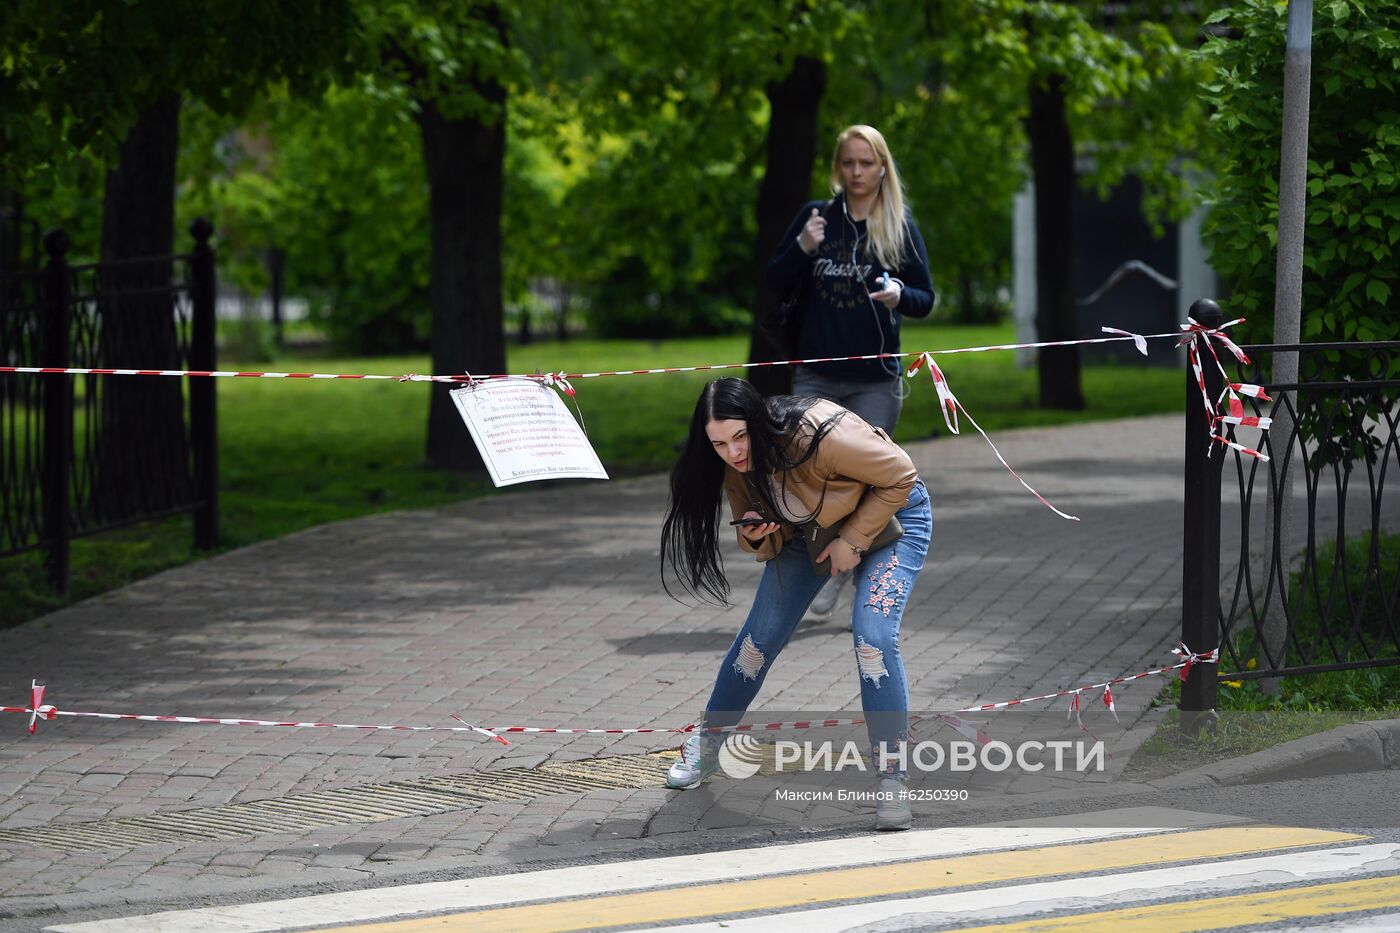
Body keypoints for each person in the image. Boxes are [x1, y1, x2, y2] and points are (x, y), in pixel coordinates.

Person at [659, 377, 933, 831]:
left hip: (894, 518)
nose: (732, 452)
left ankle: (892, 779)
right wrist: (753, 535)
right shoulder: (732, 462)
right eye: (718, 443)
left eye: (740, 437)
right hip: (808, 534)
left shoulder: (818, 433)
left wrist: (852, 539)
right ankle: (707, 747)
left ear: (757, 421)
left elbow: (901, 474)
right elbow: (766, 544)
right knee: (757, 642)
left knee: (873, 640)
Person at [767, 124, 935, 618]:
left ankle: (856, 569)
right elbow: (775, 280)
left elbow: (926, 299)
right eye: (848, 163)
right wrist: (801, 246)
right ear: (837, 168)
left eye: (866, 163)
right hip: (817, 374)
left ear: (882, 167)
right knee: (811, 475)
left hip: (876, 380)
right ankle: (821, 568)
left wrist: (901, 295)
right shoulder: (817, 218)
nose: (857, 172)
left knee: (867, 479)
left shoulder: (897, 225)